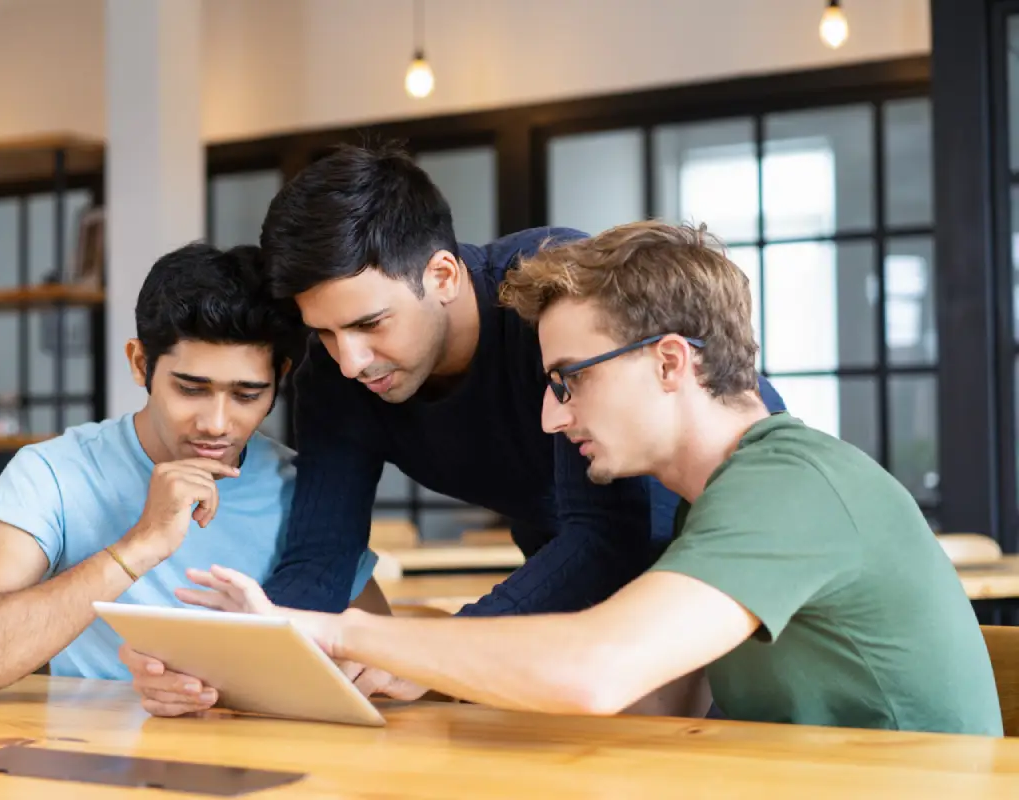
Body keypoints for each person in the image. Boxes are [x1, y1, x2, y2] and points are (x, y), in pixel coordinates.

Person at [172, 220, 1004, 736]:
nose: (550, 417)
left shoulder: (791, 489)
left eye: (568, 380)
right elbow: (663, 701)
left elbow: (598, 668)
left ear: (670, 362)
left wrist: (340, 634)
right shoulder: (713, 505)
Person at [120, 143, 785, 715]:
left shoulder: (555, 297)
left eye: (369, 324)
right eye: (324, 332)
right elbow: (321, 557)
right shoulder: (340, 374)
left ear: (441, 275)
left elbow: (612, 534)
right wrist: (234, 667)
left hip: (713, 535)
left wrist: (437, 654)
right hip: (571, 565)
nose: (350, 361)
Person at [0, 242, 381, 708]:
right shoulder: (53, 474)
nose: (217, 424)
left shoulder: (304, 489)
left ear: (279, 377)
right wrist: (140, 545)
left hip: (262, 748)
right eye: (191, 389)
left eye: (247, 395)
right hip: (87, 751)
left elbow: (378, 661)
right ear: (141, 364)